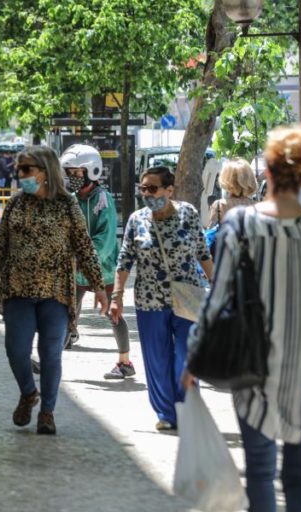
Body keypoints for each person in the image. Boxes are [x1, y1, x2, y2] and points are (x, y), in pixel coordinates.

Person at [185, 124, 301, 511]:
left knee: (259, 476)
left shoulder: (240, 226)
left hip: (254, 372)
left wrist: (194, 355)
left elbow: (217, 298)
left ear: (266, 172)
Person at [0, 146, 108, 435]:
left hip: (56, 292)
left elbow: (84, 247)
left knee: (51, 353)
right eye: (20, 169)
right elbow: (1, 245)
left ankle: (47, 412)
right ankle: (28, 393)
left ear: (45, 172)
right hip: (18, 289)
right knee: (16, 350)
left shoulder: (66, 204)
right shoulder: (16, 204)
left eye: (27, 169)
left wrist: (99, 287)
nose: (21, 175)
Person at [109, 166, 213, 431]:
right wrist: (116, 297)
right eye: (143, 188)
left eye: (152, 188)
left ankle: (187, 408)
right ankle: (166, 413)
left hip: (188, 296)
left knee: (185, 356)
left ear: (169, 190)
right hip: (149, 300)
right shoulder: (136, 219)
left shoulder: (188, 213)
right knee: (157, 359)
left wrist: (217, 287)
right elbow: (124, 261)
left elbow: (202, 253)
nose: (147, 194)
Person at [59, 144, 135, 379]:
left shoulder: (103, 199)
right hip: (78, 268)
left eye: (77, 173)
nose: (72, 177)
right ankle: (51, 358)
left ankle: (125, 362)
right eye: (69, 172)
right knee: (66, 312)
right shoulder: (71, 199)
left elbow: (106, 237)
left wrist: (84, 257)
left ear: (91, 171)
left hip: (103, 269)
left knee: (113, 314)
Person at [207, 158, 257, 228]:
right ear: (250, 179)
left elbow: (210, 234)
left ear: (226, 180)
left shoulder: (219, 205)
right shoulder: (258, 207)